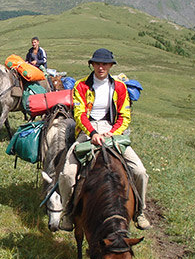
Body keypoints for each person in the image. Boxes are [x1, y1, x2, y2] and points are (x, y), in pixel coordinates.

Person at [56, 48, 151, 231]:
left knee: (140, 171)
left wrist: (112, 133)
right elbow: (80, 113)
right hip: (87, 131)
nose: (101, 67)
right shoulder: (81, 86)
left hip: (112, 131)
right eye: (98, 63)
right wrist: (92, 134)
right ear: (92, 65)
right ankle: (68, 212)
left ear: (110, 66)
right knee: (68, 174)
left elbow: (124, 116)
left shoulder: (120, 87)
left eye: (105, 64)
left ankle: (140, 211)